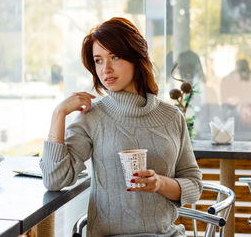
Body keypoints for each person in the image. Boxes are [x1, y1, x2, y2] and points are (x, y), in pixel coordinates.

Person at [40, 17, 202, 237]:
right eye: (98, 60)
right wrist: (58, 114)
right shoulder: (92, 117)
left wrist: (159, 183)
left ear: (136, 57)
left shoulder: (172, 116)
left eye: (114, 57)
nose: (105, 68)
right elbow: (55, 180)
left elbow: (193, 185)